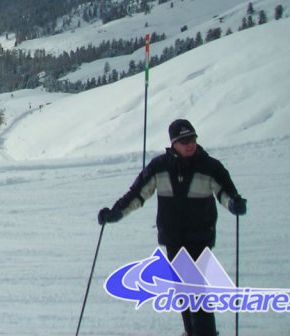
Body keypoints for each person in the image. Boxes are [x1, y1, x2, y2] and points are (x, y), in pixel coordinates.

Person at [97, 119, 247, 336]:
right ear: (173, 143)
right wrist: (116, 212)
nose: (190, 144)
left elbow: (226, 191)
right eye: (184, 140)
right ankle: (192, 332)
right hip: (173, 237)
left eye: (193, 139)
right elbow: (137, 194)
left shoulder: (210, 166)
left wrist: (234, 203)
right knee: (184, 289)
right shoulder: (160, 167)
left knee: (194, 288)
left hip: (200, 236)